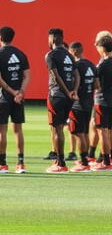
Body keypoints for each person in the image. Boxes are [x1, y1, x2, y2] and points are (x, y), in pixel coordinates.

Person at [0, 26, 30, 174]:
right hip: (18, 98)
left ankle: (3, 164)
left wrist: (12, 92)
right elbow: (27, 76)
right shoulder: (20, 54)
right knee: (18, 130)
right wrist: (20, 93)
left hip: (3, 98)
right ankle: (20, 164)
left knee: (2, 131)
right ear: (13, 37)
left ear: (0, 38)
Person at [44, 28, 80, 173]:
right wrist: (74, 91)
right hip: (69, 97)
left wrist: (66, 91)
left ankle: (60, 163)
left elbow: (56, 76)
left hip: (56, 95)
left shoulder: (50, 55)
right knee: (60, 128)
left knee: (56, 128)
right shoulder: (69, 55)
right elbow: (77, 75)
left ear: (52, 40)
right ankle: (59, 160)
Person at [68, 42, 96, 172]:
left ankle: (84, 163)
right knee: (84, 132)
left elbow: (72, 83)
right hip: (89, 102)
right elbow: (97, 85)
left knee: (78, 134)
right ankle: (85, 159)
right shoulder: (91, 64)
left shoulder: (76, 66)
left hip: (77, 104)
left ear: (73, 52)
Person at [92, 35, 112, 171]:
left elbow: (96, 86)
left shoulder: (101, 65)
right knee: (110, 130)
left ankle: (105, 161)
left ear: (102, 48)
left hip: (102, 100)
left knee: (102, 131)